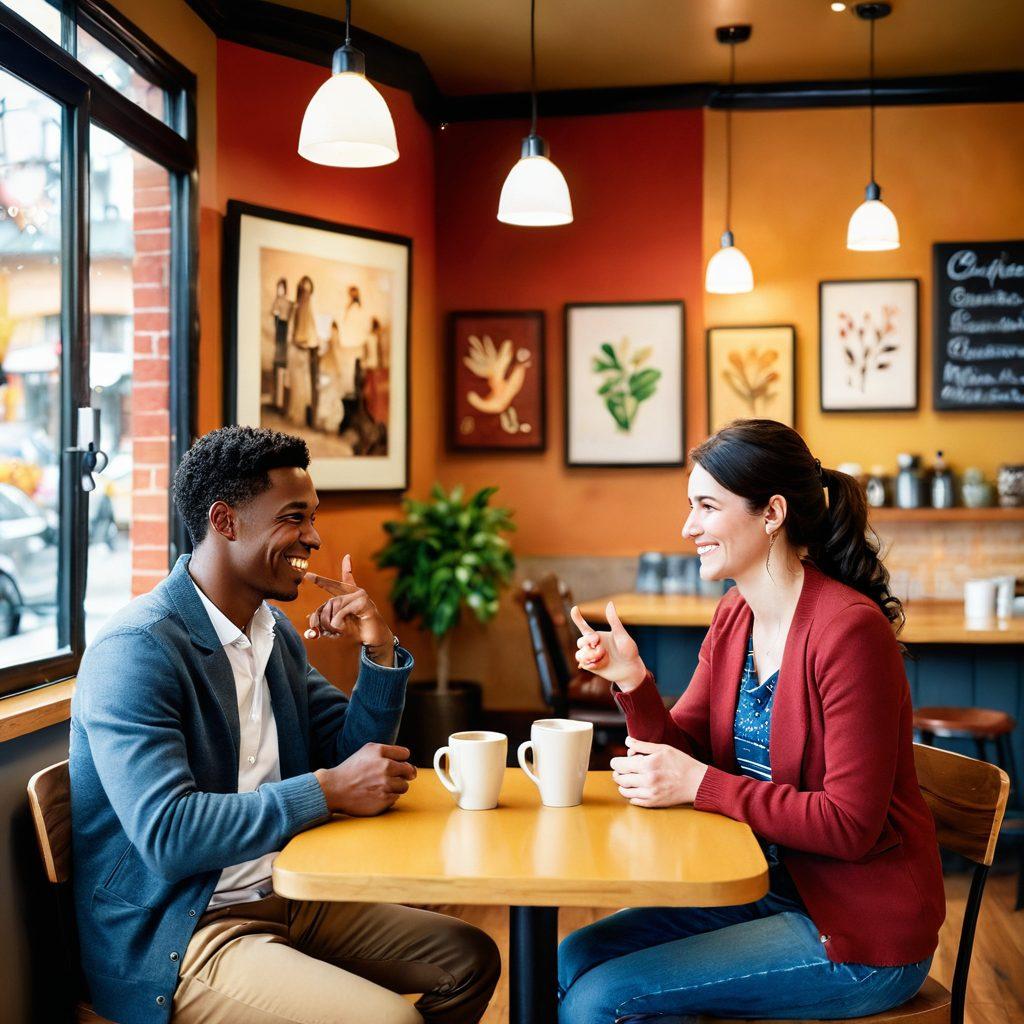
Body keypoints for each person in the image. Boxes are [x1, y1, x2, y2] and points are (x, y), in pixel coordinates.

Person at [70, 426, 500, 1024]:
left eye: (312, 517)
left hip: (288, 896)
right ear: (225, 521)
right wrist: (325, 791)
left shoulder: (273, 635)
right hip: (183, 931)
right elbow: (168, 836)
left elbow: (359, 758)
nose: (314, 538)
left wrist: (376, 648)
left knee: (469, 958)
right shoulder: (138, 650)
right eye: (294, 518)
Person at [560, 419, 945, 1023]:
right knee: (574, 956)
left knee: (602, 999)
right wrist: (632, 681)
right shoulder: (735, 614)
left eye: (707, 507)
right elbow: (687, 748)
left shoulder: (849, 631)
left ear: (771, 514)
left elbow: (850, 825)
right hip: (769, 890)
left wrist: (699, 786)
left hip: (860, 931)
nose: (689, 527)